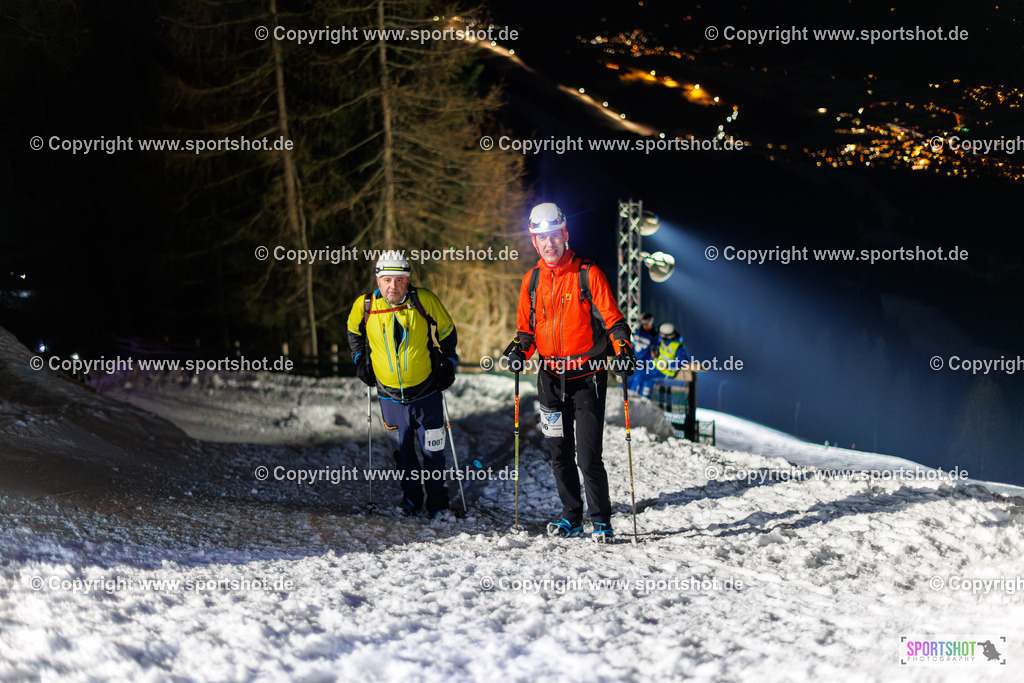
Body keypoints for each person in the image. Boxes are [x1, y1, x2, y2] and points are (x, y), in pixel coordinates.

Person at [503, 202, 635, 542]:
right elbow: (526, 331)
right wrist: (518, 350)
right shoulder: (531, 281)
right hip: (549, 379)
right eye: (541, 238)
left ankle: (601, 520)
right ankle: (571, 517)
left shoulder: (588, 273)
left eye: (554, 236)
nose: (549, 244)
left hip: (587, 378)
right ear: (534, 241)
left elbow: (614, 321)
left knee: (589, 455)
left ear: (565, 234)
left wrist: (624, 351)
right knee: (558, 453)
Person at [347, 250, 459, 519]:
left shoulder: (423, 300)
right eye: (387, 280)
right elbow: (353, 332)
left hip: (427, 393)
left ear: (408, 280)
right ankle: (411, 500)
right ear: (378, 280)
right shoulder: (365, 306)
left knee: (433, 451)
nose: (393, 286)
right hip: (390, 397)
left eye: (399, 279)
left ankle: (439, 505)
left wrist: (449, 362)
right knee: (403, 453)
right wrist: (360, 360)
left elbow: (446, 330)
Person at [646, 322, 691, 405]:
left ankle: (647, 403)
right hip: (656, 369)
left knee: (647, 382)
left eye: (661, 334)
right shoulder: (663, 342)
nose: (659, 335)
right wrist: (656, 354)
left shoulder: (677, 346)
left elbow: (684, 361)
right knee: (641, 376)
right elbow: (663, 354)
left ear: (665, 335)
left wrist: (669, 366)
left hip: (666, 375)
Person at [626, 312, 659, 396]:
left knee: (642, 392)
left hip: (645, 367)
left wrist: (654, 352)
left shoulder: (654, 335)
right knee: (627, 388)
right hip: (634, 365)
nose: (648, 326)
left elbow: (655, 353)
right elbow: (632, 347)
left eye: (649, 323)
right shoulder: (637, 332)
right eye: (646, 324)